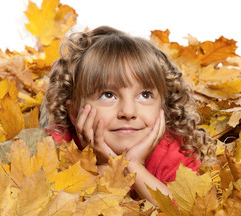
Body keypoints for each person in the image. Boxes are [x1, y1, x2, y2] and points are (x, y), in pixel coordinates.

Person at [43, 26, 214, 205]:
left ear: (163, 106)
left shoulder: (174, 152)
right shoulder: (55, 148)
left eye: (145, 95)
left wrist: (133, 167)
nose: (128, 112)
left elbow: (186, 210)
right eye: (108, 95)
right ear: (75, 113)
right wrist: (107, 165)